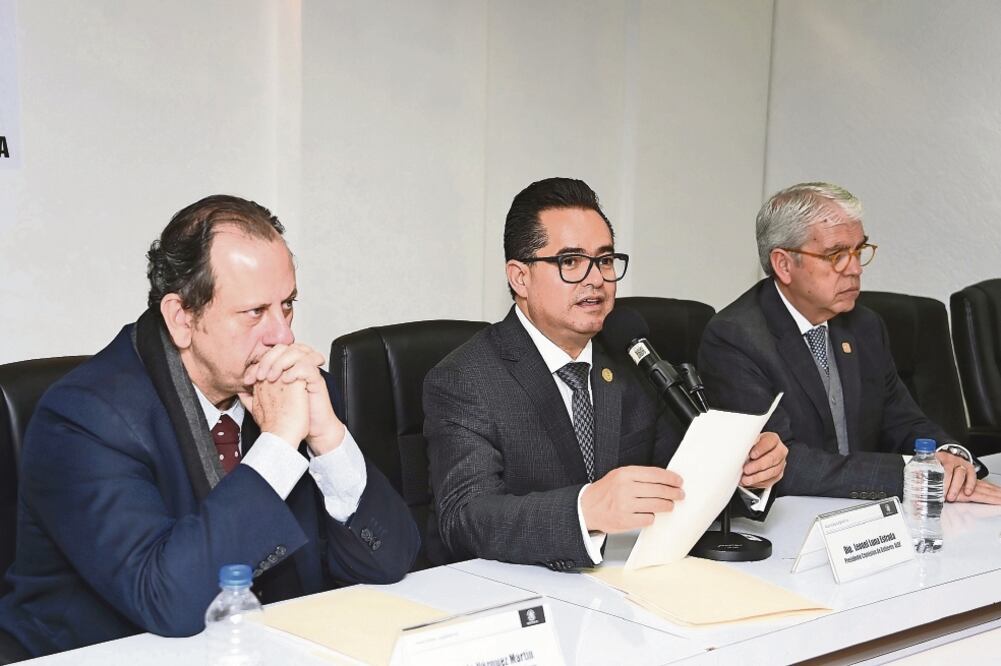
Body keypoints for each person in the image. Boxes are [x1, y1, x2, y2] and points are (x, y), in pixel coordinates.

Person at [0, 195, 420, 659]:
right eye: (255, 312)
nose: (282, 335)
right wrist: (279, 445)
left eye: (288, 305)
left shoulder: (295, 389)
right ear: (182, 318)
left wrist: (329, 439)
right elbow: (170, 602)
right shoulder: (83, 418)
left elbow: (390, 561)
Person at [423, 177, 787, 570]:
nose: (596, 278)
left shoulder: (631, 356)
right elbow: (464, 519)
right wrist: (585, 510)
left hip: (626, 585)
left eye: (605, 260)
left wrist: (746, 473)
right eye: (571, 262)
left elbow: (679, 482)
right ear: (520, 277)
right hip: (521, 595)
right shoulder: (465, 379)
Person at [698, 182, 1001, 504]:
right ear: (784, 264)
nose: (855, 269)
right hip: (792, 518)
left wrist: (948, 454)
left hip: (868, 515)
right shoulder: (735, 338)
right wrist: (916, 474)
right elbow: (784, 464)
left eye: (859, 251)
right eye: (836, 255)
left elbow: (901, 417)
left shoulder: (864, 324)